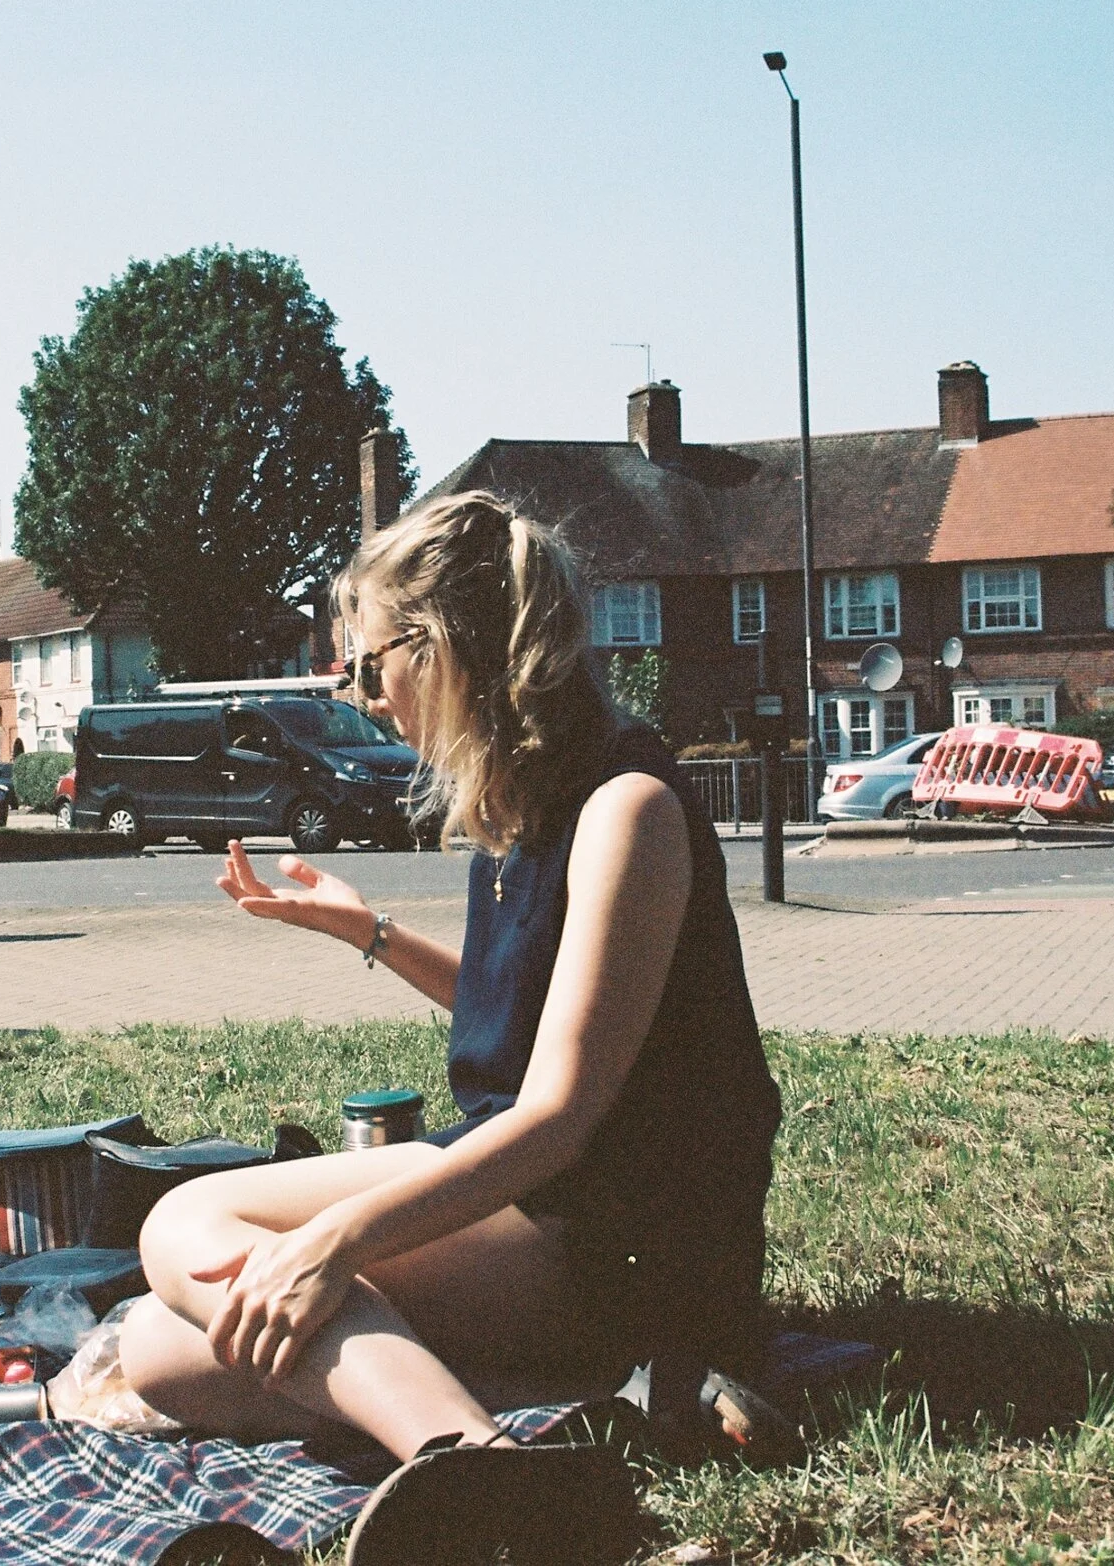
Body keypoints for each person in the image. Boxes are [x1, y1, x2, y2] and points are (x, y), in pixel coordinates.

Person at [120, 492, 783, 1563]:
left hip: (618, 1238)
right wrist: (364, 930)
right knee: (162, 1346)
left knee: (185, 1230)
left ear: (438, 652)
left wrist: (331, 1243)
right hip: (545, 1209)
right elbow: (524, 1007)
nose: (360, 695)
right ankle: (571, 1418)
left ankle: (477, 1467)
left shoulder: (626, 809)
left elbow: (562, 1112)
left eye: (366, 663)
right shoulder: (524, 808)